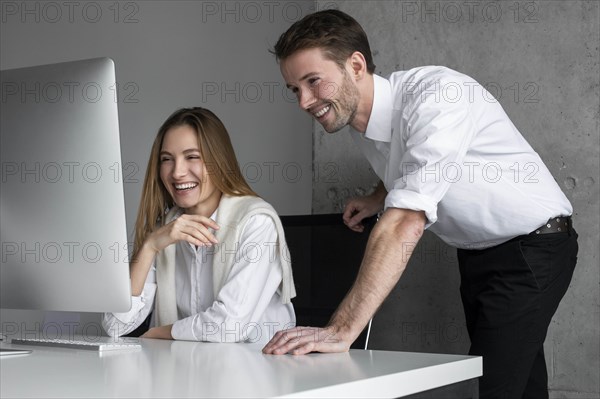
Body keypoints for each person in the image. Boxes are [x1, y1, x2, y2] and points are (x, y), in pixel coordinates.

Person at [262, 9, 578, 399]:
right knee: (520, 383)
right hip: (480, 255)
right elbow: (411, 162)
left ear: (355, 65)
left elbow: (402, 225)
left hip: (535, 247)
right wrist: (377, 196)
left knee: (496, 385)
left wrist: (342, 330)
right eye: (295, 89)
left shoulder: (438, 97)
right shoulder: (359, 119)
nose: (304, 102)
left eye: (313, 82)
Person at [103, 107, 296, 345]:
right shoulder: (166, 230)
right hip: (188, 369)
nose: (177, 172)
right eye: (167, 159)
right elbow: (115, 325)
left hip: (255, 369)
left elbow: (228, 326)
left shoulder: (256, 222)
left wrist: (160, 333)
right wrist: (150, 246)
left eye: (192, 156)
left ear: (218, 160)